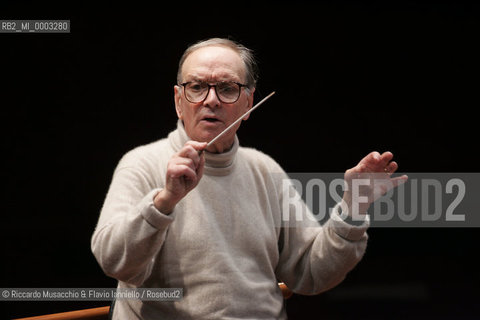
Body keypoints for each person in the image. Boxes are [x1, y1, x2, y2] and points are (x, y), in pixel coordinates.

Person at [91, 38, 407, 319]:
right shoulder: (141, 163)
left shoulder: (265, 170)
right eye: (197, 87)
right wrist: (165, 201)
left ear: (249, 103)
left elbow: (310, 274)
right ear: (178, 100)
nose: (211, 100)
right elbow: (115, 262)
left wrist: (353, 209)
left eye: (227, 88)